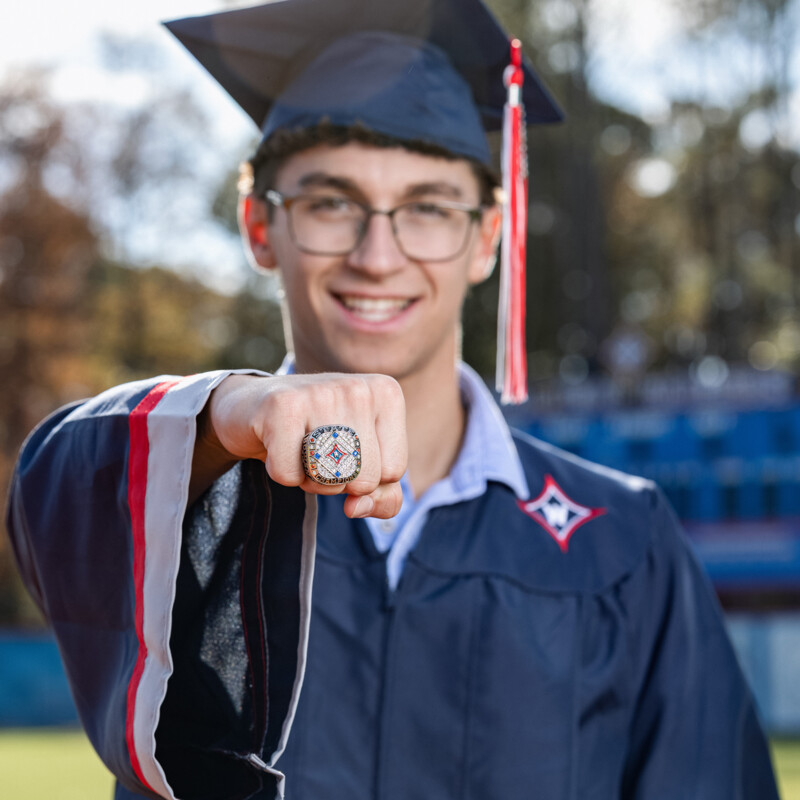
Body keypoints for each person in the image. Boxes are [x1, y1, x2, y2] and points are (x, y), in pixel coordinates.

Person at [7, 1, 780, 798]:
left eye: (429, 208)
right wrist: (229, 413)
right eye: (331, 203)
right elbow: (59, 483)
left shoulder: (623, 544)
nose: (379, 256)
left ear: (486, 239)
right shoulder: (198, 505)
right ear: (259, 227)